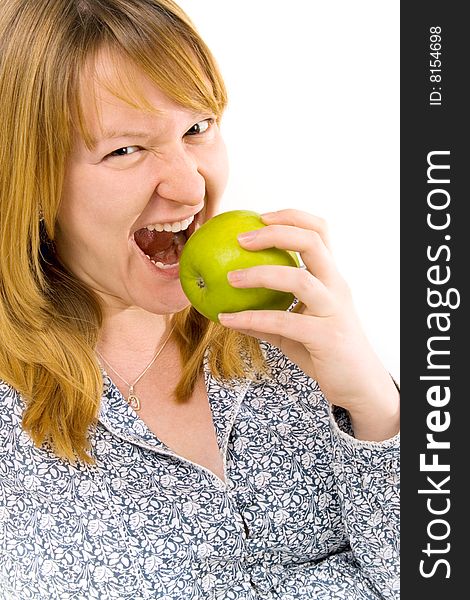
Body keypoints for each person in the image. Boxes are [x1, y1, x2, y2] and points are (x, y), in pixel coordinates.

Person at [0, 1, 400, 598]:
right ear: (27, 176)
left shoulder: (293, 333)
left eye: (197, 128)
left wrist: (379, 412)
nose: (190, 184)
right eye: (124, 150)